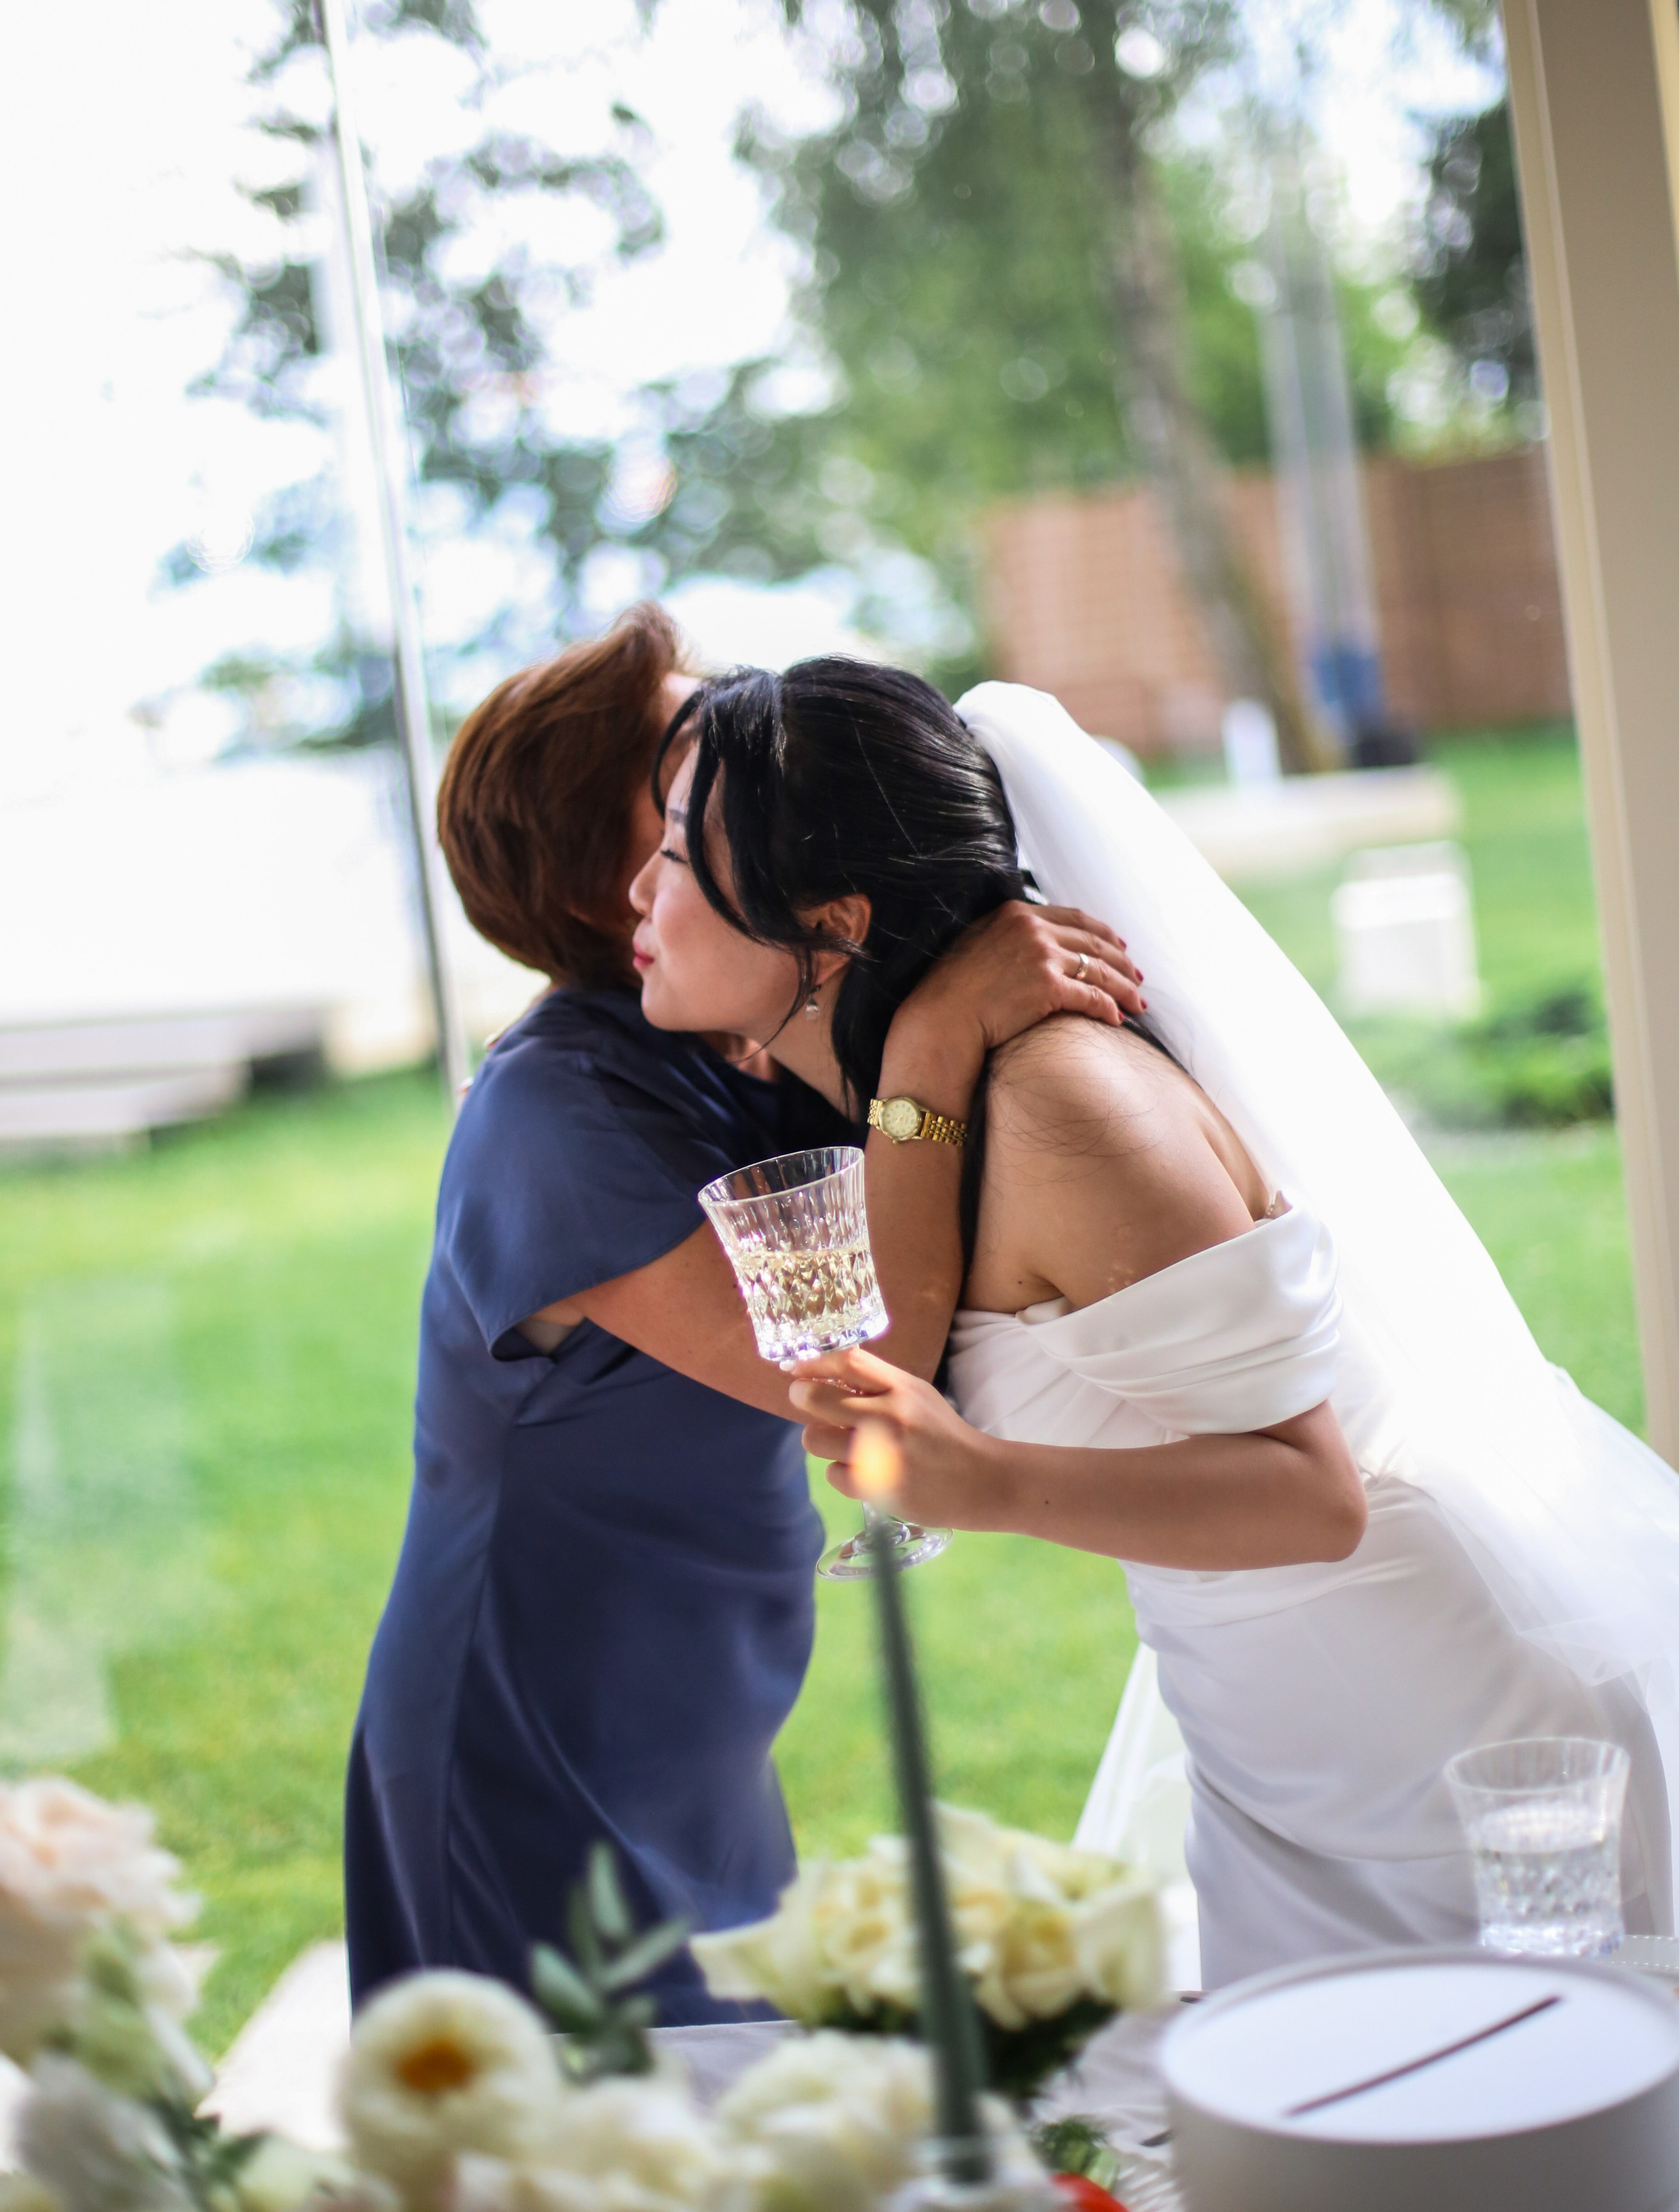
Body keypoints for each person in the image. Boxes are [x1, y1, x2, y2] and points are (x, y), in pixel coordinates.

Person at [629, 656, 1679, 1988]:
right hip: (1277, 1728)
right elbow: (892, 1344)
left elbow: (1314, 1498)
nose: (638, 890)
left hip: (1423, 1745)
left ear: (833, 929)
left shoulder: (1069, 1109)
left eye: (675, 855)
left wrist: (983, 1479)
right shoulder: (935, 1095)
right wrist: (931, 1041)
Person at [344, 607, 1141, 2019]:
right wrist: (936, 1042)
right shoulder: (555, 1117)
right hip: (534, 1738)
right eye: (683, 761)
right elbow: (870, 1372)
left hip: (694, 1712)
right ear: (615, 876)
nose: (737, 754)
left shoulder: (743, 1034)